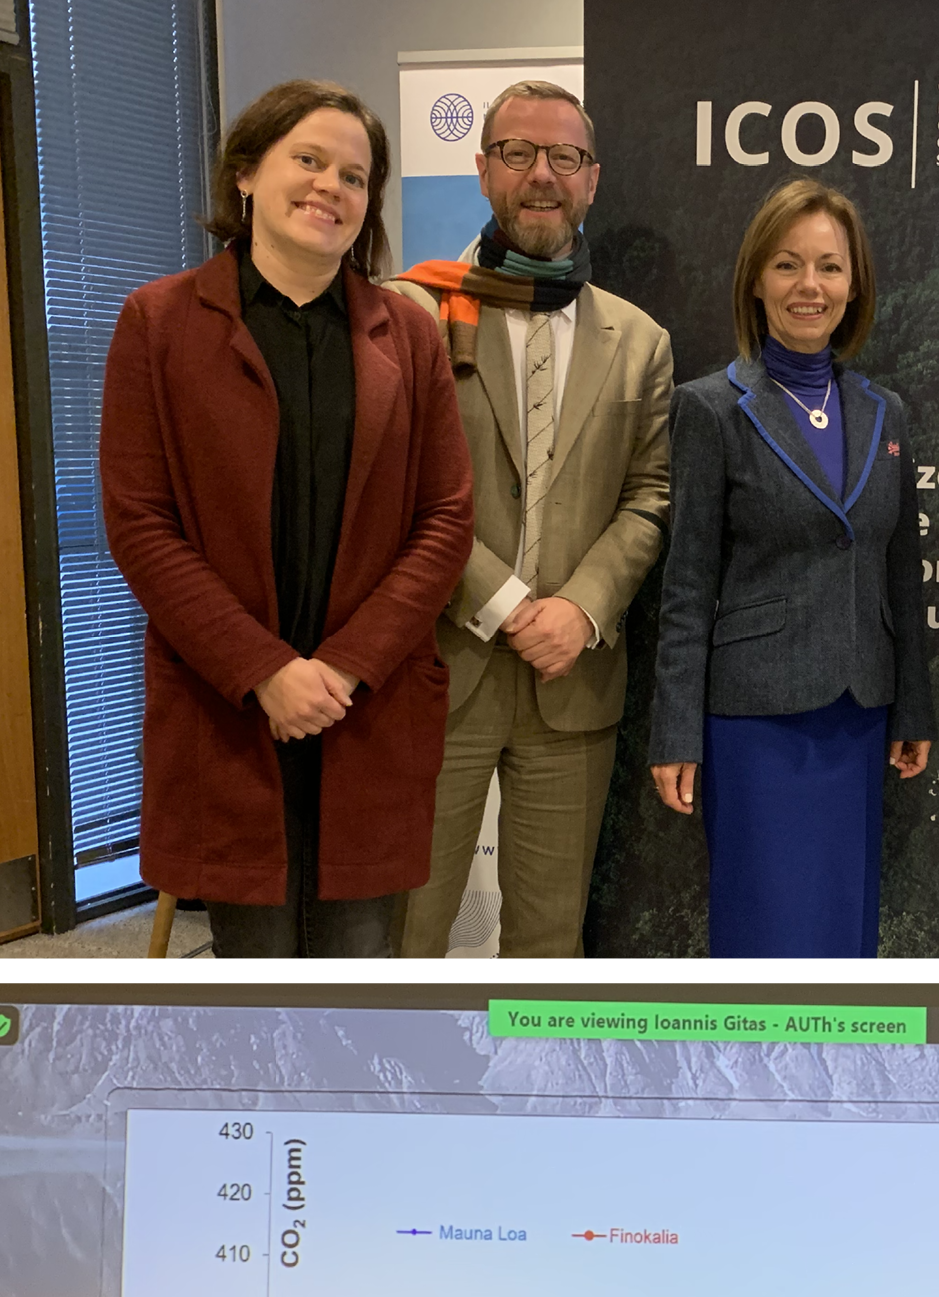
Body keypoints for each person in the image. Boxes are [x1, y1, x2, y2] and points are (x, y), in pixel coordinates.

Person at [98, 79, 470, 956]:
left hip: (365, 706)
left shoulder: (408, 337)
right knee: (252, 983)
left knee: (361, 977)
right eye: (307, 160)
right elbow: (141, 523)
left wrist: (343, 664)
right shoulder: (158, 323)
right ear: (244, 175)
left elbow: (446, 520)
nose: (329, 187)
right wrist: (265, 669)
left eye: (353, 174)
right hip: (229, 705)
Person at [390, 79, 672, 958]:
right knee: (408, 936)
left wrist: (581, 607)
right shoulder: (414, 314)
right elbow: (395, 491)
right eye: (517, 153)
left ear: (592, 179)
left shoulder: (642, 341)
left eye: (564, 157)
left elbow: (650, 495)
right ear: (481, 171)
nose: (540, 175)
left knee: (550, 947)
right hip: (440, 670)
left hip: (572, 681)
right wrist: (506, 602)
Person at [646, 179, 931, 957]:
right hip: (754, 723)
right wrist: (675, 730)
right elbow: (687, 584)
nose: (810, 286)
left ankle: (836, 1079)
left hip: (858, 712)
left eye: (830, 268)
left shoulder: (886, 413)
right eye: (787, 265)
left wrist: (912, 711)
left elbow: (898, 573)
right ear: (755, 281)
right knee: (764, 925)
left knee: (844, 926)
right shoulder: (710, 409)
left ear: (854, 284)